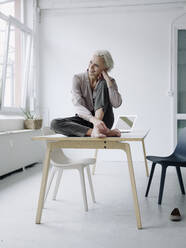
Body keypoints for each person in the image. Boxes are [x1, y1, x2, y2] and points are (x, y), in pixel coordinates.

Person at [51, 50, 122, 138]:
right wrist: (94, 120)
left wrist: (107, 80)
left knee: (103, 83)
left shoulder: (108, 82)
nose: (91, 67)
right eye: (91, 62)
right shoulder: (78, 79)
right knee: (55, 123)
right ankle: (95, 132)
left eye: (96, 65)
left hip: (104, 123)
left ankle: (98, 129)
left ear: (105, 69)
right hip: (86, 120)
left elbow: (117, 103)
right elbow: (78, 106)